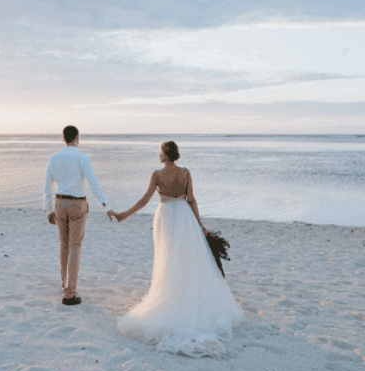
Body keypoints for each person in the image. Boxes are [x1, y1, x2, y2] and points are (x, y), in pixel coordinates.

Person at [113, 141, 242, 356]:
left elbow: (146, 199)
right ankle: (185, 294)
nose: (158, 154)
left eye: (159, 151)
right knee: (186, 258)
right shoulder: (185, 173)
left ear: (164, 154)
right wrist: (200, 226)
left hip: (166, 216)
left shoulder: (156, 174)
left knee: (169, 259)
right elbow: (191, 200)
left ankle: (173, 294)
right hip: (184, 216)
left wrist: (125, 214)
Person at [43, 125, 116, 306]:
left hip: (60, 202)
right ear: (76, 138)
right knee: (75, 247)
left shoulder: (53, 158)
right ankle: (69, 293)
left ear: (63, 138)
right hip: (77, 204)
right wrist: (105, 205)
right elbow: (93, 182)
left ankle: (64, 285)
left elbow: (47, 187)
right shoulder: (82, 158)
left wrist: (48, 208)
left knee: (64, 245)